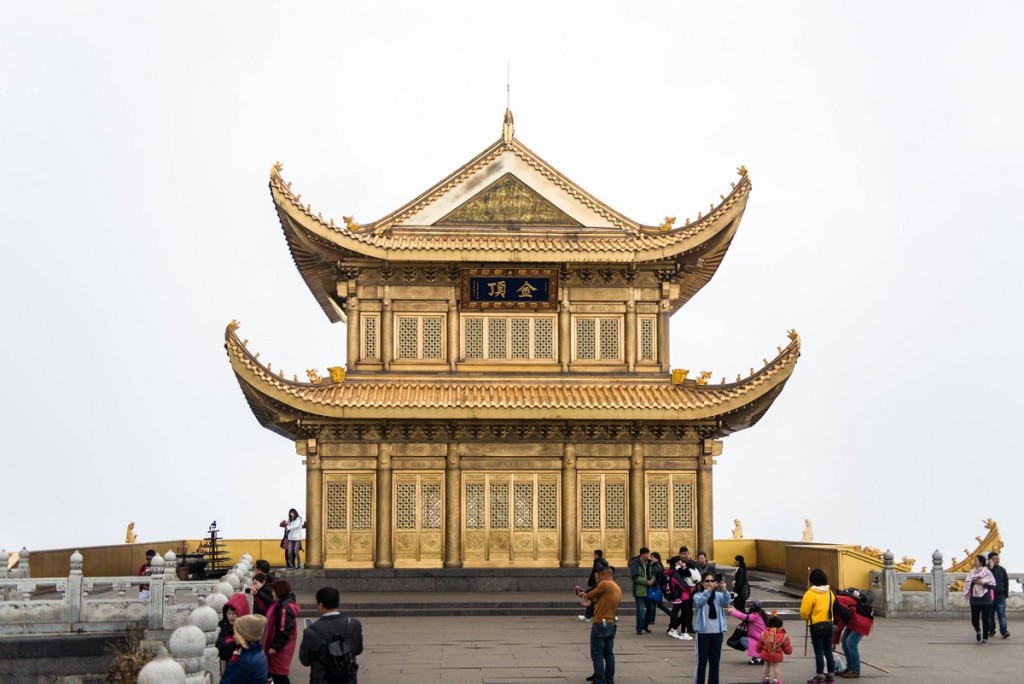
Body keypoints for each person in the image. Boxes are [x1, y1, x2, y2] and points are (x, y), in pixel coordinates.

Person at [300, 585, 364, 684]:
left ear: (320, 605)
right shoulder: (353, 624)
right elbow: (358, 650)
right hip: (347, 678)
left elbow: (305, 660)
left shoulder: (311, 631)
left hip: (321, 679)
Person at [575, 565, 622, 684]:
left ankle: (600, 680)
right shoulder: (617, 588)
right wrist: (591, 602)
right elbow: (601, 602)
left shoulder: (605, 584)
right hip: (611, 623)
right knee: (609, 654)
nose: (598, 580)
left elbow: (591, 594)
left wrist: (582, 594)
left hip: (600, 623)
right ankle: (609, 679)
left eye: (599, 577)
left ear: (605, 575)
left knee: (597, 653)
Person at [693, 572, 731, 684]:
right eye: (707, 581)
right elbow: (700, 603)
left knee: (715, 662)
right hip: (703, 633)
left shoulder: (719, 595)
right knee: (701, 663)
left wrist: (725, 590)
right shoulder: (698, 595)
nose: (710, 583)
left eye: (712, 581)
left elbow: (726, 602)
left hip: (717, 633)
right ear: (702, 583)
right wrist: (709, 590)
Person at [799, 568, 836, 682]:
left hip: (816, 625)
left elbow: (804, 612)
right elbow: (833, 605)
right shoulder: (830, 593)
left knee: (819, 651)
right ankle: (831, 673)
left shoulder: (810, 594)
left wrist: (806, 618)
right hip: (829, 623)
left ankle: (820, 675)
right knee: (828, 650)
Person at [263, 578, 301, 683]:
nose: (272, 593)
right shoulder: (281, 604)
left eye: (273, 590)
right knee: (278, 674)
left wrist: (275, 647)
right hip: (282, 646)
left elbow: (283, 631)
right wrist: (258, 594)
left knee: (279, 675)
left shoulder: (284, 608)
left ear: (279, 591)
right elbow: (269, 602)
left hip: (281, 649)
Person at [833, 591, 872, 679]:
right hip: (853, 621)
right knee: (844, 641)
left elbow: (844, 617)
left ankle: (855, 671)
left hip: (862, 621)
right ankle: (849, 668)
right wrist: (834, 643)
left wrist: (838, 627)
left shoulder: (837, 602)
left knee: (851, 643)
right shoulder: (832, 603)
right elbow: (837, 621)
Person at [221, 614, 269, 684]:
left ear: (244, 636)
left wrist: (232, 661)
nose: (233, 636)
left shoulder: (246, 662)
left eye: (236, 633)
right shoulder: (260, 652)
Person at [964, 554, 996, 644]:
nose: (974, 562)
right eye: (974, 560)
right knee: (974, 619)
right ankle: (978, 630)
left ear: (981, 562)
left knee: (985, 619)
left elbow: (993, 586)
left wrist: (982, 583)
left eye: (975, 560)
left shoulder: (988, 573)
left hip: (986, 600)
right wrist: (973, 582)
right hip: (974, 599)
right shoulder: (971, 573)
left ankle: (985, 638)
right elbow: (966, 584)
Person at [216, 592, 252, 667]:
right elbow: (221, 651)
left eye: (234, 613)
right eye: (228, 613)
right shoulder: (223, 627)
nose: (231, 616)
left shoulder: (247, 631)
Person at [756, 612, 793, 684]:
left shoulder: (764, 633)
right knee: (776, 666)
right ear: (780, 625)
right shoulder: (783, 635)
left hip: (766, 653)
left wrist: (758, 649)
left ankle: (765, 678)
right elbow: (786, 646)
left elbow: (760, 643)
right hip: (776, 654)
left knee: (766, 665)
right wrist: (789, 651)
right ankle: (777, 679)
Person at [728, 599, 768, 665]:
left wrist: (732, 612)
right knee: (744, 640)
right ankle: (759, 657)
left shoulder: (755, 616)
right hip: (760, 639)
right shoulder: (759, 614)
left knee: (743, 640)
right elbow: (745, 616)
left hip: (760, 640)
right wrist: (735, 610)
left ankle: (758, 657)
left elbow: (744, 616)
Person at [628, 547, 655, 635]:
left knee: (651, 608)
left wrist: (653, 580)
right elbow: (634, 577)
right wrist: (646, 581)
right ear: (642, 554)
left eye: (648, 554)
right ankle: (639, 628)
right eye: (646, 554)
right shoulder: (635, 563)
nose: (648, 556)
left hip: (648, 589)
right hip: (639, 589)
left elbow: (653, 573)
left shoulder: (649, 563)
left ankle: (644, 625)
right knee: (640, 609)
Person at [666, 557, 694, 640]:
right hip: (681, 595)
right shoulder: (675, 573)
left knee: (685, 613)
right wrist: (689, 588)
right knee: (685, 613)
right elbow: (682, 584)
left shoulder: (680, 571)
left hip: (683, 595)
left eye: (680, 561)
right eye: (678, 561)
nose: (680, 562)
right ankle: (682, 632)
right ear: (675, 563)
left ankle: (673, 629)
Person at [580, 550, 609, 621]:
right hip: (600, 583)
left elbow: (599, 572)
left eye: (594, 554)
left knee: (592, 598)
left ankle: (587, 616)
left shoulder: (598, 563)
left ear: (596, 555)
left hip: (597, 583)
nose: (593, 555)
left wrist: (596, 579)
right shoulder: (603, 562)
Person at [988, 551, 1010, 639]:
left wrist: (1006, 594)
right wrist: (991, 569)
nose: (997, 560)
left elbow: (1006, 582)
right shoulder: (986, 570)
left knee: (1002, 615)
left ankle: (1004, 632)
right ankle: (991, 631)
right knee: (989, 616)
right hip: (989, 597)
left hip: (1000, 596)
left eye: (998, 558)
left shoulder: (1002, 569)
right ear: (990, 560)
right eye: (995, 559)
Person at [649, 551, 672, 623]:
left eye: (653, 557)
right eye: (651, 557)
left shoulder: (656, 567)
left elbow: (653, 575)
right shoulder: (658, 565)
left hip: (657, 588)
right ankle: (651, 619)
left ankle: (672, 615)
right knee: (653, 602)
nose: (651, 558)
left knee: (659, 604)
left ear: (657, 559)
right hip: (657, 587)